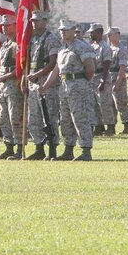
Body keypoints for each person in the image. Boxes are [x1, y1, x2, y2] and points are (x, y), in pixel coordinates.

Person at [41, 20, 96, 160]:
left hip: (78, 86)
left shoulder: (81, 47)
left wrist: (83, 84)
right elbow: (56, 70)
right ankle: (68, 149)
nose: (63, 32)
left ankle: (85, 150)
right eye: (61, 30)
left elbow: (90, 69)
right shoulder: (62, 48)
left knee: (80, 119)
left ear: (73, 30)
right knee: (65, 120)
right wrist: (45, 86)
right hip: (64, 87)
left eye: (66, 29)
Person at [22, 11, 60, 160]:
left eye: (37, 20)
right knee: (34, 118)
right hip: (33, 83)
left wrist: (36, 76)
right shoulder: (33, 39)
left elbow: (52, 63)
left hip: (47, 83)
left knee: (49, 117)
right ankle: (39, 148)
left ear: (45, 22)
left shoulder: (51, 39)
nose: (34, 23)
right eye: (33, 20)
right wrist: (27, 80)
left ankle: (52, 147)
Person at [0, 14, 24, 159]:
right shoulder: (5, 44)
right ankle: (8, 147)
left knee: (15, 117)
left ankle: (19, 148)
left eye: (7, 25)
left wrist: (5, 77)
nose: (4, 28)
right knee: (3, 117)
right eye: (3, 26)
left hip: (13, 85)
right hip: (2, 87)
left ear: (15, 25)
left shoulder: (17, 45)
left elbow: (19, 68)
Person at [88, 23, 115, 136]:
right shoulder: (92, 46)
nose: (90, 34)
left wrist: (103, 81)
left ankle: (110, 127)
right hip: (93, 78)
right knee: (94, 105)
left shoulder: (105, 47)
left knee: (104, 104)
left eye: (92, 32)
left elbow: (107, 64)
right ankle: (99, 127)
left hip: (101, 77)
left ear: (99, 33)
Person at [106, 27, 128, 134]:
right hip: (109, 79)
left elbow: (123, 67)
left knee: (121, 104)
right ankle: (111, 127)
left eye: (110, 34)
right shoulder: (110, 48)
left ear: (117, 34)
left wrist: (118, 82)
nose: (109, 36)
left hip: (117, 79)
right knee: (110, 105)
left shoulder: (122, 49)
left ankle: (126, 126)